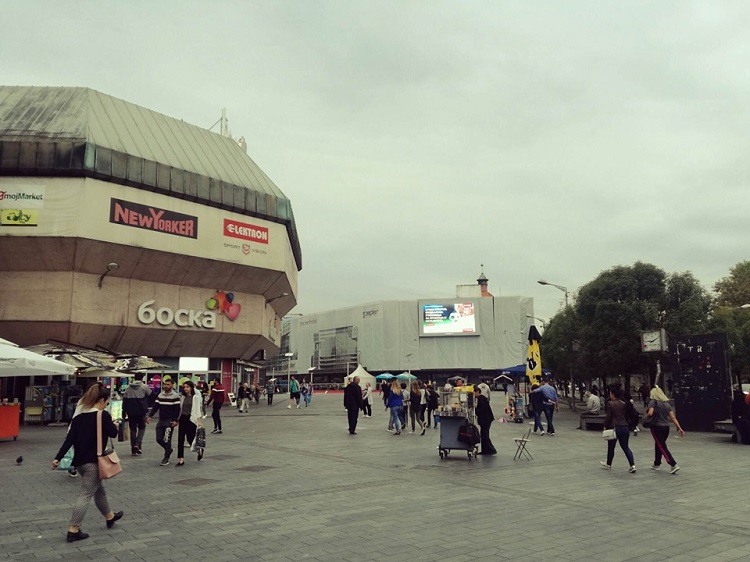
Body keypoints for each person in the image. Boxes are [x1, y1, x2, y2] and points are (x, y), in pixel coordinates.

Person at [51, 385, 123, 543]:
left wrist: (58, 458)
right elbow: (113, 433)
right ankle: (73, 529)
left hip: (81, 463)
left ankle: (110, 517)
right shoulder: (102, 416)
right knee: (85, 495)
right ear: (102, 400)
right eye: (107, 402)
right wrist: (114, 424)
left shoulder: (78, 418)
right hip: (94, 462)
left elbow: (69, 440)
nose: (107, 405)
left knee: (99, 490)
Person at [646, 386, 684, 474]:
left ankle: (673, 464)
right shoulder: (667, 404)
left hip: (656, 427)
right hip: (666, 427)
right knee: (659, 444)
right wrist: (679, 428)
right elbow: (673, 418)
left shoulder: (653, 402)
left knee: (662, 446)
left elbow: (650, 413)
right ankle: (657, 463)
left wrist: (647, 414)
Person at [600, 387, 637, 473]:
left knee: (611, 446)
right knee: (625, 447)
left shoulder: (610, 404)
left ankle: (608, 463)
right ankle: (632, 465)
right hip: (624, 426)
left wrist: (605, 426)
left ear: (612, 395)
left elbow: (609, 416)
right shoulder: (624, 403)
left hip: (614, 427)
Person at [146, 376, 181, 466]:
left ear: (172, 385)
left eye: (168, 384)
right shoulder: (160, 395)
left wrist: (175, 420)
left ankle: (166, 457)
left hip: (170, 421)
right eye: (165, 384)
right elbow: (155, 406)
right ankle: (168, 449)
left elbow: (177, 410)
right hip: (161, 420)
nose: (166, 386)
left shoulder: (175, 396)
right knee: (158, 439)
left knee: (167, 439)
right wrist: (150, 416)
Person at [175, 380, 205, 466]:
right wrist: (177, 419)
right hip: (183, 418)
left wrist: (199, 422)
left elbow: (198, 410)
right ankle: (181, 459)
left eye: (187, 387)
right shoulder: (182, 397)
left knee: (190, 438)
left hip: (191, 419)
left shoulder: (195, 398)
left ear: (191, 388)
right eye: (184, 387)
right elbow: (180, 409)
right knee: (180, 439)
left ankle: (199, 450)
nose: (185, 389)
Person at [122, 373, 152, 456]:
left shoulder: (128, 388)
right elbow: (151, 395)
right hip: (141, 411)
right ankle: (138, 445)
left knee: (133, 429)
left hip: (131, 412)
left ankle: (133, 448)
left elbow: (125, 400)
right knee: (142, 428)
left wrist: (124, 411)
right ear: (142, 378)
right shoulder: (144, 387)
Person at [474, 386, 497, 455]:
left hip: (486, 419)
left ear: (477, 392)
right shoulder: (481, 398)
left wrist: (476, 410)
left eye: (474, 393)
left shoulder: (481, 398)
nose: (474, 395)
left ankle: (491, 449)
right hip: (486, 419)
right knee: (484, 435)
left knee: (485, 435)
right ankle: (485, 450)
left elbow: (482, 410)